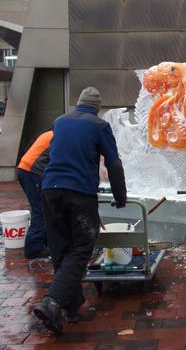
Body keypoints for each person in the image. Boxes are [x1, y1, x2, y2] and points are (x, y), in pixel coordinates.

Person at [33, 87, 127, 334]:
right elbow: (114, 164)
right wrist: (120, 197)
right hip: (79, 193)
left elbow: (49, 156)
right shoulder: (99, 126)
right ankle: (52, 301)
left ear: (77, 104)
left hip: (50, 190)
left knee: (60, 248)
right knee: (82, 247)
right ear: (97, 108)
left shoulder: (60, 121)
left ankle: (71, 309)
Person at [17, 130, 53, 259]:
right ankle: (33, 249)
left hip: (26, 169)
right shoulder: (59, 136)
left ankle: (43, 242)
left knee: (44, 208)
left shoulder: (48, 133)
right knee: (40, 210)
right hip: (32, 172)